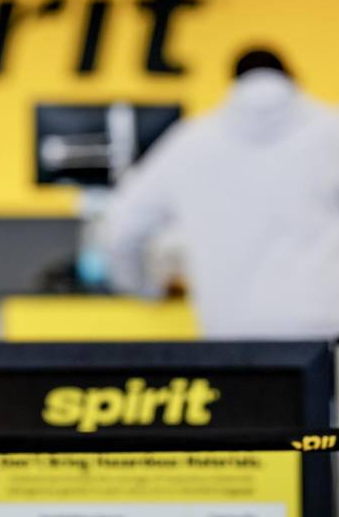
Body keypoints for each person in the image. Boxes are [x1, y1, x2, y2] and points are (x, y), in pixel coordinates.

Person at [105, 49, 339, 338]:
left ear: (233, 83)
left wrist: (143, 287)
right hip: (325, 329)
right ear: (292, 77)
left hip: (230, 334)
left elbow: (120, 228)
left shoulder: (191, 141)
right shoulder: (331, 131)